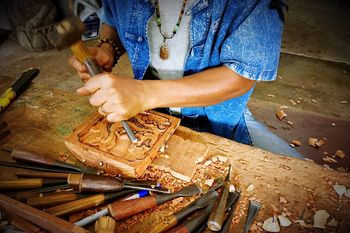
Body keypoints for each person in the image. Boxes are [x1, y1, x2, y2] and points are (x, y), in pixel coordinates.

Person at [70, 0, 302, 159]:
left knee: (300, 178)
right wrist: (108, 48)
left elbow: (241, 76)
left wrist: (143, 93)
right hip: (148, 113)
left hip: (221, 119)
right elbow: (112, 16)